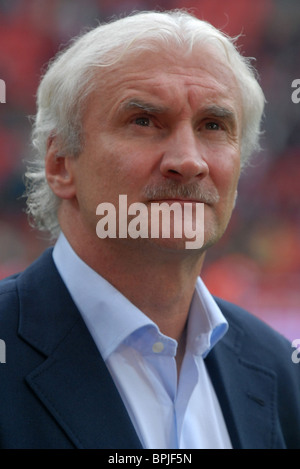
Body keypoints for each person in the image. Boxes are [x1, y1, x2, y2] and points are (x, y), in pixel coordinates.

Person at [0, 9, 299, 450]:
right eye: (143, 121)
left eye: (213, 126)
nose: (189, 160)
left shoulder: (278, 370)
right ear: (60, 164)